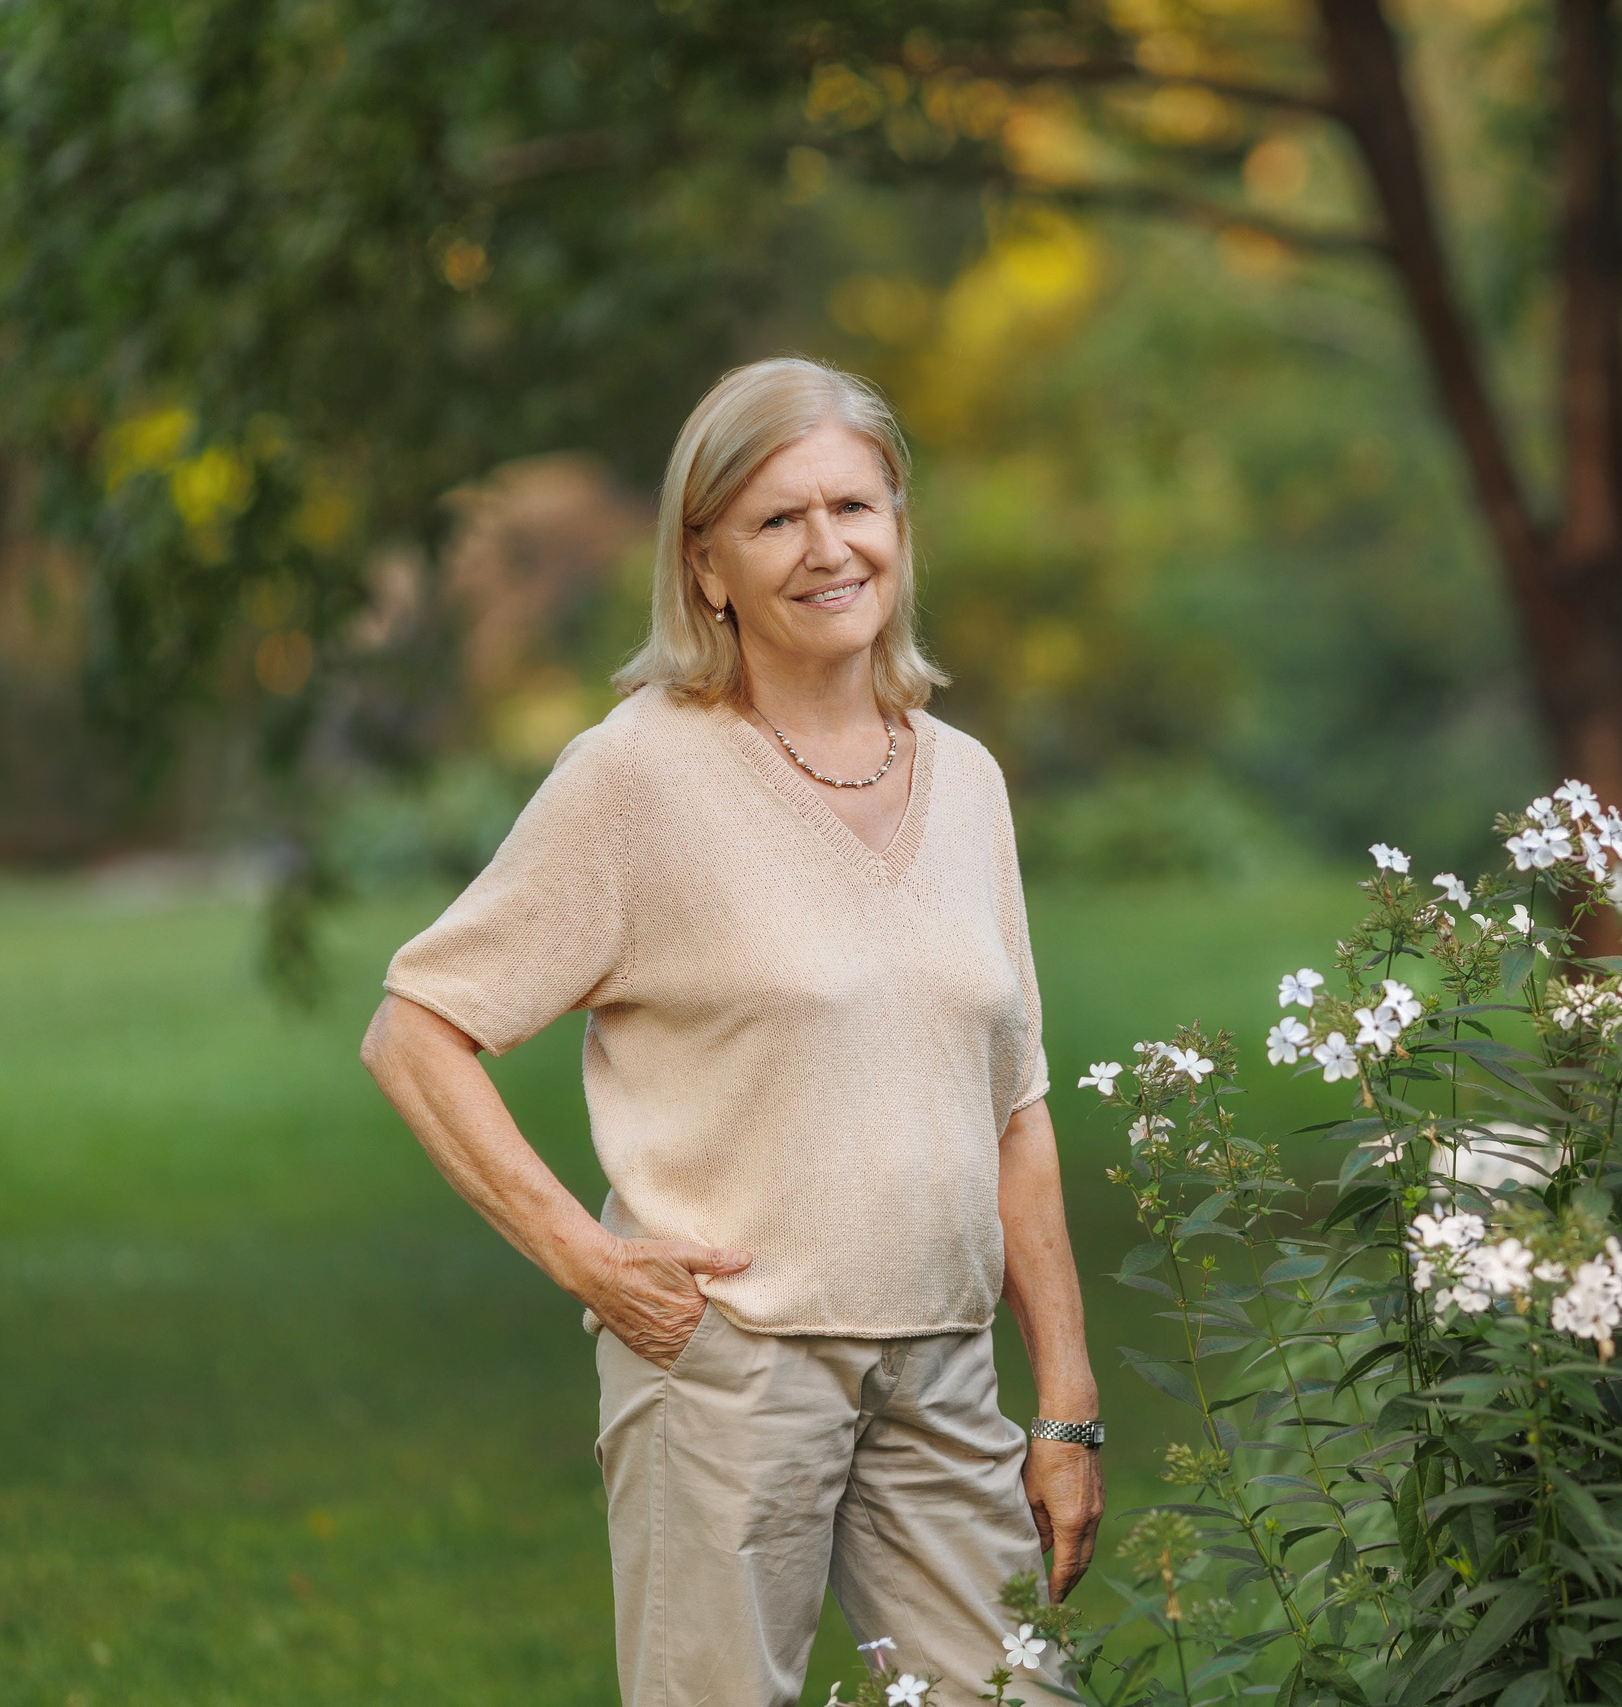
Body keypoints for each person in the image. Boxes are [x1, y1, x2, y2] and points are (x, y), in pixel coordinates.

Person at [360, 356, 1102, 1707]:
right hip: (730, 1372)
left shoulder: (969, 780)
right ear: (706, 566)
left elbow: (1017, 1110)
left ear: (898, 528)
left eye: (856, 507)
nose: (830, 547)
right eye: (778, 521)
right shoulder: (641, 774)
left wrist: (1065, 1404)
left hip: (944, 1376)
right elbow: (417, 1032)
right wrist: (586, 1259)